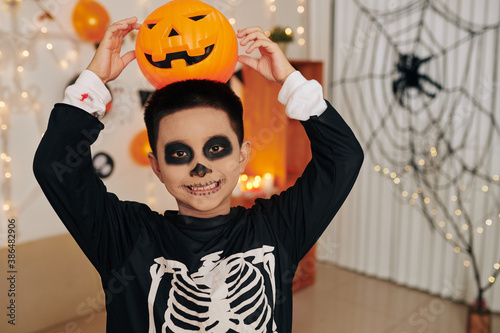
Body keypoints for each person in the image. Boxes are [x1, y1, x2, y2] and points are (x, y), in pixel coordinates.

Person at [33, 16, 363, 333]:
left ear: (242, 155)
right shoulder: (126, 239)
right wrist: (94, 78)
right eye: (180, 153)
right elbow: (55, 166)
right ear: (157, 166)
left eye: (216, 148)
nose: (200, 168)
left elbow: (344, 158)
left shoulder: (278, 229)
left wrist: (291, 80)